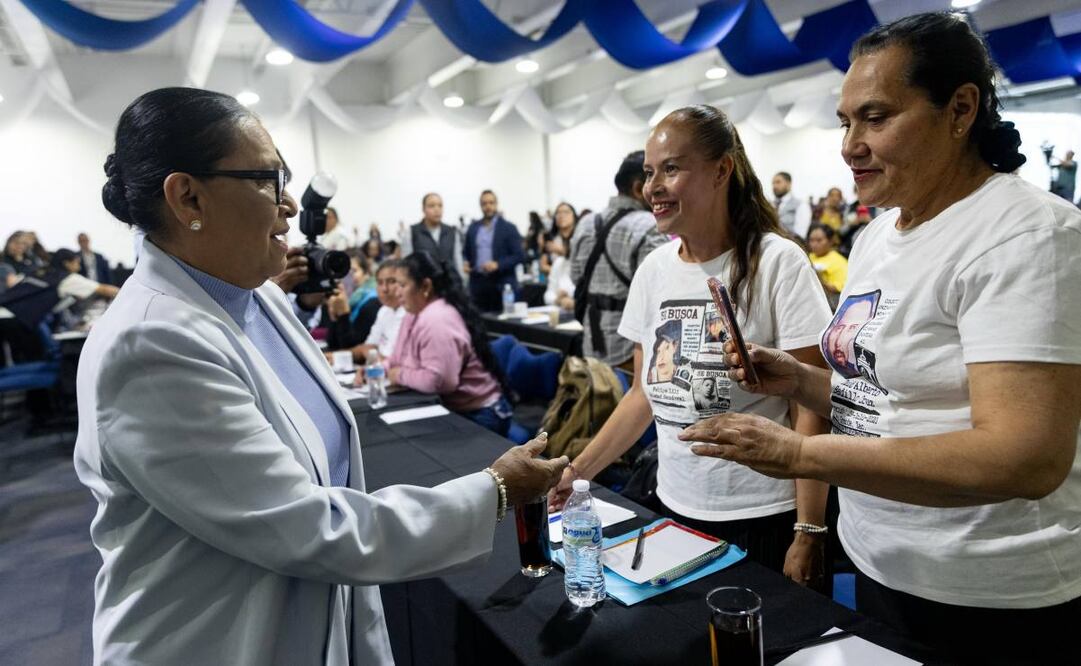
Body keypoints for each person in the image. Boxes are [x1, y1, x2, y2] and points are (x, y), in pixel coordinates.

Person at [73, 87, 567, 666]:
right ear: (188, 197)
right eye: (268, 180)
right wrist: (495, 489)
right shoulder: (151, 345)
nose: (289, 205)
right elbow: (309, 527)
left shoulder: (258, 299)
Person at [679, 13, 1081, 664]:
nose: (850, 145)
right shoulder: (875, 237)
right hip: (882, 560)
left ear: (959, 110)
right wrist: (800, 381)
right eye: (845, 122)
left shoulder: (1023, 234)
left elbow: (1025, 456)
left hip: (988, 593)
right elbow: (887, 399)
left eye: (875, 117)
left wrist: (803, 454)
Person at [551, 105, 834, 585]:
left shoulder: (777, 262)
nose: (652, 187)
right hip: (675, 508)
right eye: (648, 172)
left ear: (722, 171)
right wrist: (578, 473)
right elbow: (641, 396)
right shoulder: (654, 270)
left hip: (764, 514)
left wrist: (809, 529)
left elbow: (810, 409)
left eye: (671, 169)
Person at [385, 251, 514, 435]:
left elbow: (440, 381)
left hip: (480, 413)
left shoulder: (437, 319)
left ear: (426, 286)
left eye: (402, 285)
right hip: (455, 408)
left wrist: (398, 375)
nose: (396, 292)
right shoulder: (413, 312)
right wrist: (379, 370)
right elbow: (398, 358)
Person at [569, 151, 667, 367]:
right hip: (632, 348)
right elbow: (658, 293)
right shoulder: (650, 226)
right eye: (653, 181)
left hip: (591, 340)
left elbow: (575, 277)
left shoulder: (586, 223)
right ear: (638, 188)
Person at [0, 248, 118, 362]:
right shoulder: (67, 278)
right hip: (18, 320)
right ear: (66, 263)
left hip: (5, 314)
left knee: (12, 362)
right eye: (76, 263)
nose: (79, 267)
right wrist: (126, 293)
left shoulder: (41, 271)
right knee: (32, 360)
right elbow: (104, 289)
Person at [463, 190, 525, 312]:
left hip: (501, 284)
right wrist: (465, 262)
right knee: (479, 319)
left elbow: (519, 256)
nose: (488, 206)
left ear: (496, 204)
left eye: (491, 203)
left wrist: (498, 264)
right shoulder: (473, 228)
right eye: (484, 203)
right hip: (478, 284)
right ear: (480, 206)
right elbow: (466, 252)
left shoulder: (509, 228)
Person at [323, 254, 381, 360]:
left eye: (354, 271)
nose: (348, 277)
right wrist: (334, 316)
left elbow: (350, 349)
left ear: (366, 273)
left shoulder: (372, 303)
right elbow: (332, 343)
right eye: (343, 272)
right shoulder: (346, 299)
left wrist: (343, 314)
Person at [400, 192, 465, 282]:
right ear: (423, 209)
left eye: (440, 206)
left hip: (449, 285)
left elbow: (458, 262)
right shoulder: (412, 232)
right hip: (423, 285)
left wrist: (461, 283)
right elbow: (406, 265)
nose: (437, 209)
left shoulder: (452, 232)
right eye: (431, 206)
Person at [543, 202, 578, 310]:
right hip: (560, 298)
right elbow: (548, 294)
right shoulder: (552, 240)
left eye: (566, 212)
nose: (561, 215)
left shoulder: (581, 240)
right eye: (558, 213)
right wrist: (558, 299)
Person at [806, 223, 848, 299]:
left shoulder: (840, 262)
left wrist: (818, 281)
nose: (814, 244)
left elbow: (841, 288)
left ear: (831, 241)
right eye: (811, 240)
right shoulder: (806, 257)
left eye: (819, 240)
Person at [771, 171, 812, 240]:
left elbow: (800, 235)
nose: (775, 186)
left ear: (789, 184)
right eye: (773, 183)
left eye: (778, 182)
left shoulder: (801, 205)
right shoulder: (770, 205)